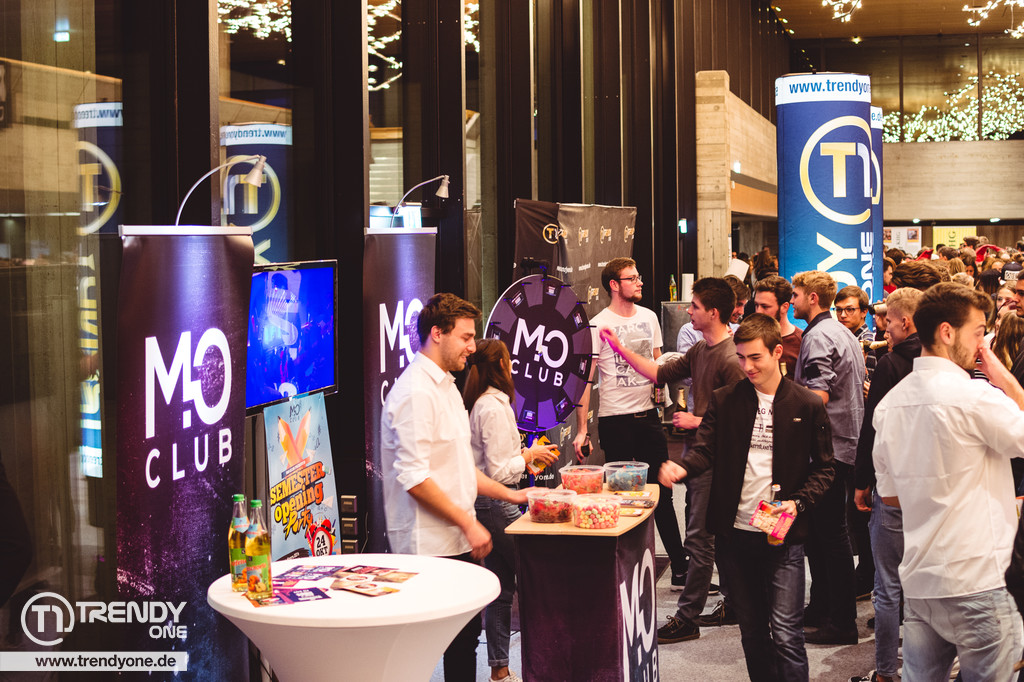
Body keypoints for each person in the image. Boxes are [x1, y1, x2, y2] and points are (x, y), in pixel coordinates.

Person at [658, 313, 835, 682]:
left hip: (782, 536)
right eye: (741, 358)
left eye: (755, 357)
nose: (747, 366)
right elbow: (705, 450)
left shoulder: (806, 404)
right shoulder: (726, 400)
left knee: (786, 635)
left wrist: (798, 503)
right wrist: (682, 468)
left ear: (777, 352)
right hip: (735, 536)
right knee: (753, 633)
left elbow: (824, 469)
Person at [873, 282, 1024, 681]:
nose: (983, 345)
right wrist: (1006, 380)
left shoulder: (890, 405)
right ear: (946, 332)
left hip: (922, 579)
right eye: (978, 333)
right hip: (979, 578)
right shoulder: (976, 397)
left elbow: (890, 497)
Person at [381, 293, 531, 680]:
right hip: (429, 546)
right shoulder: (416, 393)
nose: (472, 346)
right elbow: (415, 478)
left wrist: (513, 494)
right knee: (432, 649)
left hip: (454, 540)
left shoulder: (447, 387)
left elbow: (461, 467)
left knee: (464, 642)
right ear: (437, 333)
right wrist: (468, 523)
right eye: (465, 337)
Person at [601, 277, 746, 643]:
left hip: (715, 459)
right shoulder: (700, 350)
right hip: (700, 456)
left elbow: (742, 418)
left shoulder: (731, 359)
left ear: (713, 312)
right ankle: (733, 603)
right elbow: (658, 372)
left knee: (699, 537)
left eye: (694, 306)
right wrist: (617, 347)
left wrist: (698, 421)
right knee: (717, 536)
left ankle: (687, 617)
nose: (689, 311)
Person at [573, 258, 688, 586]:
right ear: (614, 284)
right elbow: (586, 381)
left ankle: (680, 568)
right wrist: (582, 429)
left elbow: (657, 365)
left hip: (649, 417)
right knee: (622, 495)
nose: (640, 282)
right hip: (615, 420)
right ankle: (626, 571)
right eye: (632, 278)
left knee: (663, 493)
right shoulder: (597, 325)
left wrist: (666, 398)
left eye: (639, 277)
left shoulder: (649, 317)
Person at [463, 338, 559, 682]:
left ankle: (500, 671)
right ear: (502, 365)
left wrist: (527, 458)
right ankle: (548, 665)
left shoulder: (484, 403)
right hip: (496, 504)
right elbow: (499, 471)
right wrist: (528, 455)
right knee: (539, 579)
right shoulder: (492, 406)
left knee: (502, 590)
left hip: (491, 503)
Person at [851, 287, 924, 682]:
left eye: (889, 322)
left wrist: (862, 481)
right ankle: (920, 668)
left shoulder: (892, 364)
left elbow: (872, 428)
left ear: (906, 321)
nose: (884, 329)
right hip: (930, 490)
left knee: (888, 585)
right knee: (921, 583)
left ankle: (884, 673)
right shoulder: (943, 363)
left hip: (893, 487)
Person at [790, 270, 863, 645]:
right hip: (841, 443)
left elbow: (817, 395)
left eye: (796, 294)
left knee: (831, 536)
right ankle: (821, 608)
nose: (792, 300)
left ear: (813, 297)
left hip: (828, 448)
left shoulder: (819, 336)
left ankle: (842, 622)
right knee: (820, 535)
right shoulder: (840, 331)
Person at [752, 275, 802, 371]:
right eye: (756, 305)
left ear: (784, 307)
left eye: (765, 307)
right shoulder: (750, 338)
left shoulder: (801, 343)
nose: (758, 311)